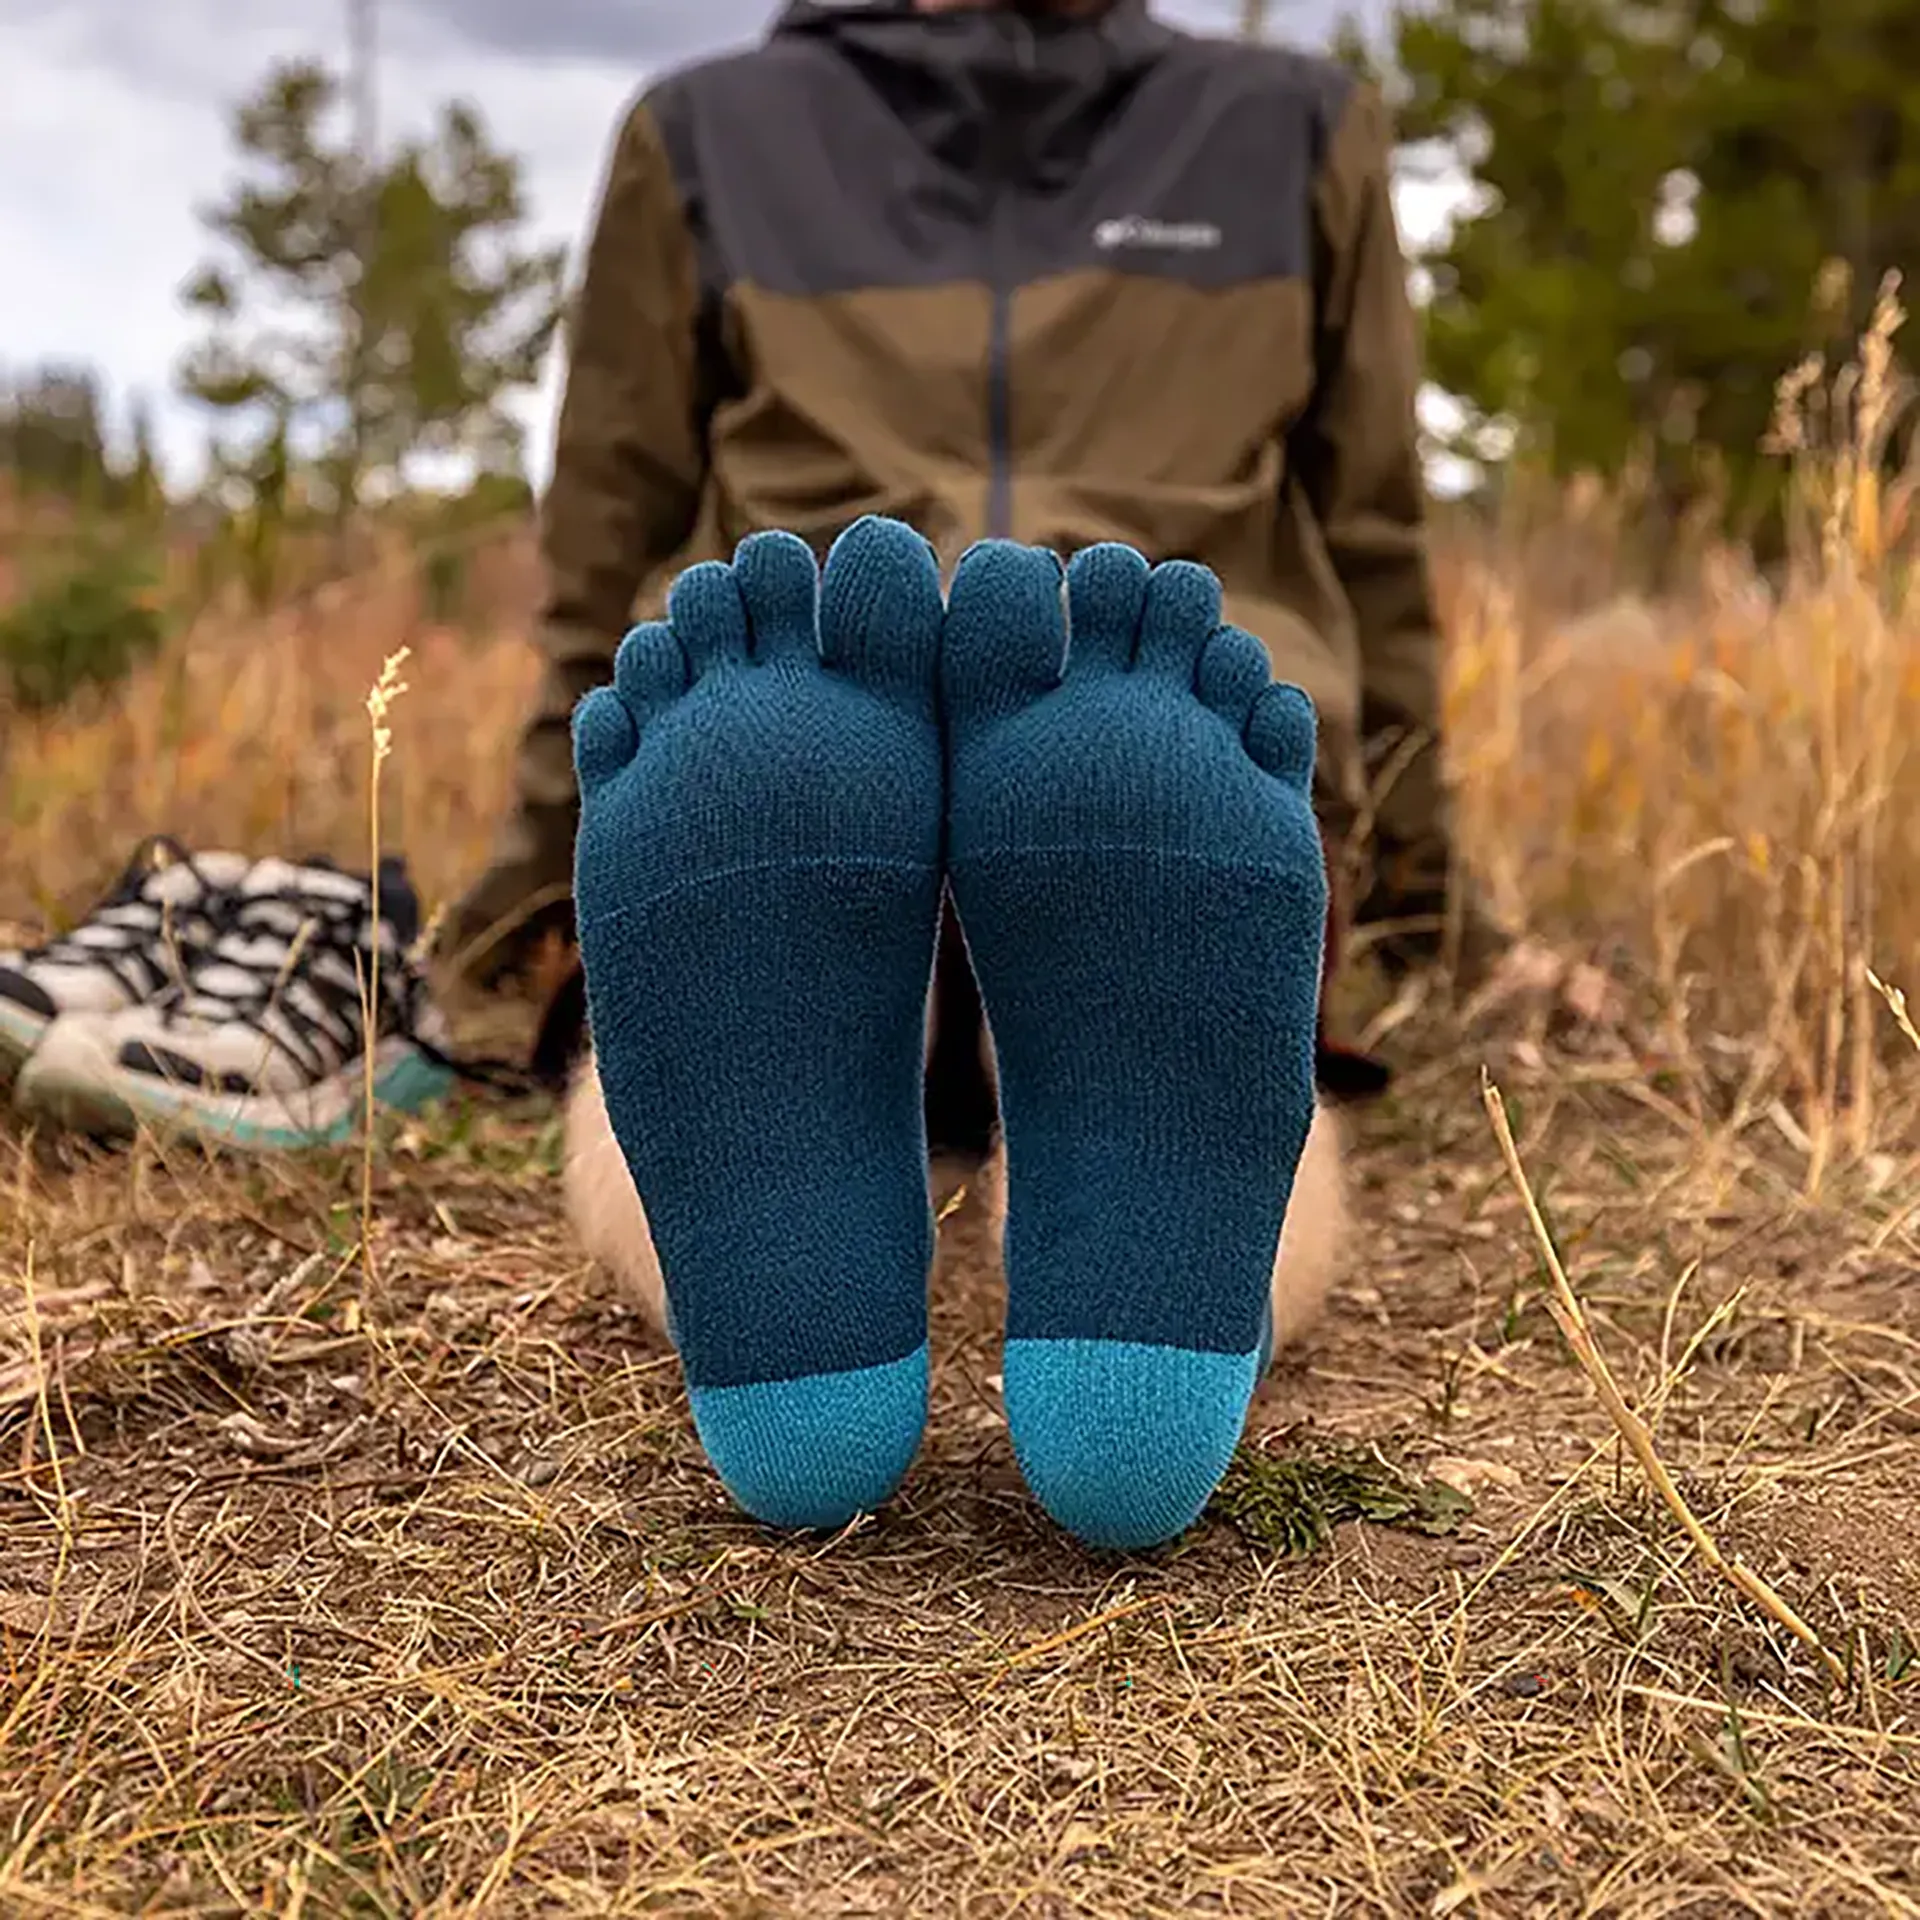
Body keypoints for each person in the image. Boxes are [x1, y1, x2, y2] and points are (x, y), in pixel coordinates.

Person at [444, 0, 1483, 1149]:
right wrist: (527, 898)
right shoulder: (704, 133)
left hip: (1176, 752)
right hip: (809, 738)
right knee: (774, 809)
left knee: (1145, 800)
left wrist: (1436, 911)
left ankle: (885, 1064)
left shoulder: (1296, 129)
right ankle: (1037, 1082)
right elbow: (605, 550)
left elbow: (1374, 539)